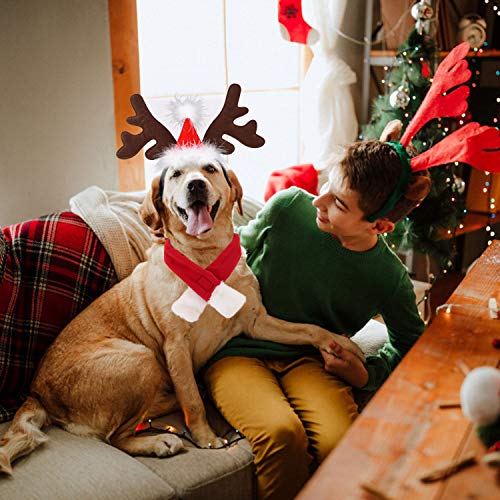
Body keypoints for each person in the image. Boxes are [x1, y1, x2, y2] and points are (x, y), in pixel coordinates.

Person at [203, 123, 431, 500]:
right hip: (238, 348)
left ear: (380, 225)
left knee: (340, 445)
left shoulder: (388, 277)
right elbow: (231, 250)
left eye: (339, 203)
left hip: (308, 359)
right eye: (327, 185)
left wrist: (366, 374)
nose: (317, 201)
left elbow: (412, 344)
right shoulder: (289, 208)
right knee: (281, 434)